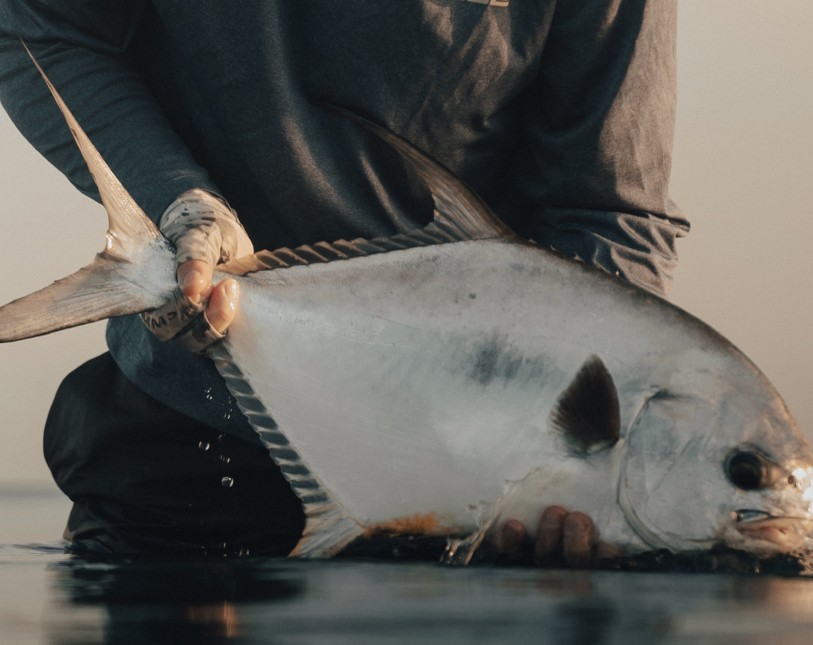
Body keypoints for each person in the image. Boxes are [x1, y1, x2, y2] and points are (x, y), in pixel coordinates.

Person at [0, 1, 689, 565]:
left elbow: (604, 213)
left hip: (476, 488)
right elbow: (38, 29)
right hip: (186, 448)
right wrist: (177, 203)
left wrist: (579, 473)